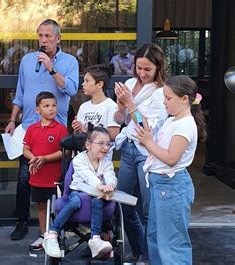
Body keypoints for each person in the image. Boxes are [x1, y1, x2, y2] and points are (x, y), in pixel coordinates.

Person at [5, 18, 79, 244]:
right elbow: (20, 93)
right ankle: (22, 221)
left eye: (48, 36)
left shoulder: (69, 62)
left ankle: (57, 225)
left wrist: (51, 68)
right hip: (29, 128)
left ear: (58, 38)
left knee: (56, 179)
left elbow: (72, 89)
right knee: (24, 177)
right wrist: (12, 119)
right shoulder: (27, 60)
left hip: (56, 130)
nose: (43, 40)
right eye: (40, 35)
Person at [135, 76, 206, 265]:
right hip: (163, 185)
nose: (164, 102)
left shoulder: (184, 125)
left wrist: (149, 143)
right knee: (157, 238)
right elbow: (150, 132)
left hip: (171, 185)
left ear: (184, 99)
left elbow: (171, 158)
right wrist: (132, 108)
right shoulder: (172, 120)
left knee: (171, 243)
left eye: (168, 98)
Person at [113, 42, 168, 264]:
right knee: (123, 203)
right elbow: (119, 120)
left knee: (147, 210)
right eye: (139, 67)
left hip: (147, 152)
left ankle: (148, 257)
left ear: (158, 68)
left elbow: (147, 129)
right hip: (127, 148)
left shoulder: (162, 93)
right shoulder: (129, 83)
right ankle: (137, 251)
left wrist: (131, 104)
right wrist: (120, 106)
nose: (142, 73)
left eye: (148, 69)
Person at [43, 126, 117, 259]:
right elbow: (87, 175)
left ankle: (95, 239)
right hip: (78, 191)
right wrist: (100, 185)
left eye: (108, 144)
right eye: (101, 143)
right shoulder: (79, 160)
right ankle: (52, 234)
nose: (105, 147)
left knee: (99, 200)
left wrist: (111, 184)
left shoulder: (106, 162)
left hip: (95, 194)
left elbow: (110, 174)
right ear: (88, 145)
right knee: (76, 201)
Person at [22, 92, 68, 251]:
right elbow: (25, 149)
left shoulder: (61, 129)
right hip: (37, 176)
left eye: (54, 105)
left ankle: (55, 234)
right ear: (37, 110)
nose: (51, 109)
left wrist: (45, 158)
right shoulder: (31, 129)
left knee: (56, 207)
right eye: (46, 106)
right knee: (41, 206)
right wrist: (34, 158)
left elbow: (64, 152)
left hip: (54, 177)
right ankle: (43, 235)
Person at [71, 64, 120, 142]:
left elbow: (114, 135)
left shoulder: (111, 106)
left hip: (103, 152)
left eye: (87, 80)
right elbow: (77, 135)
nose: (83, 84)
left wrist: (88, 132)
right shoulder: (83, 106)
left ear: (100, 84)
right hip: (84, 151)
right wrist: (77, 128)